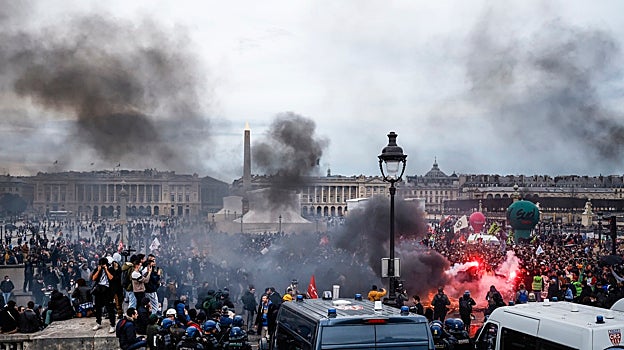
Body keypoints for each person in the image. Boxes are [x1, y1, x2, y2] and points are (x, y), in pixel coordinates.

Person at [91, 257, 116, 333]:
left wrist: (106, 269)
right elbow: (93, 278)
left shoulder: (111, 269)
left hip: (107, 290)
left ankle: (112, 324)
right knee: (98, 308)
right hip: (99, 290)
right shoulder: (98, 269)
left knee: (109, 308)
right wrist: (98, 270)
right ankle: (98, 322)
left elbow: (111, 278)